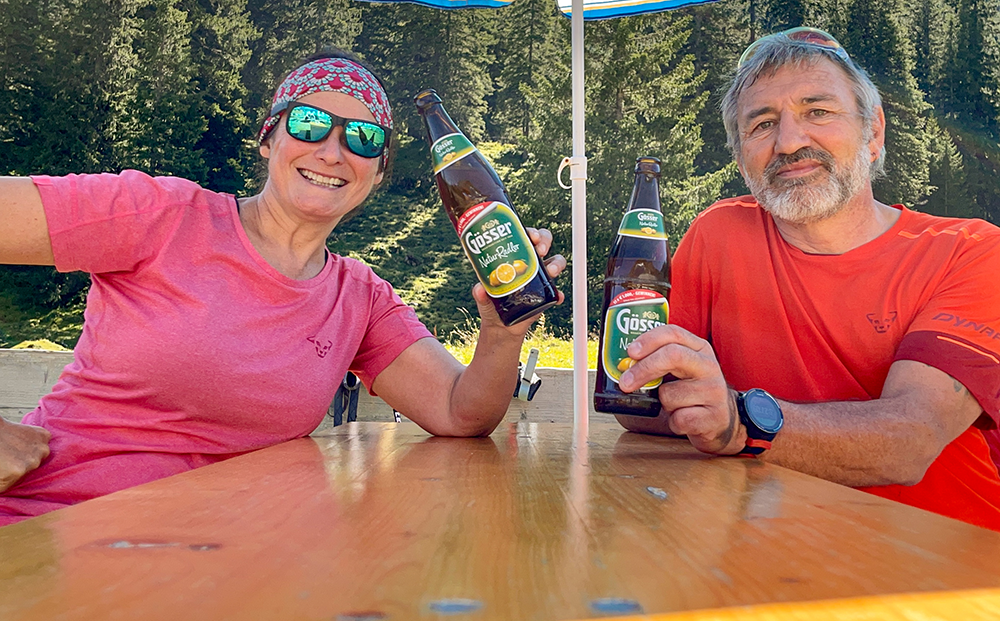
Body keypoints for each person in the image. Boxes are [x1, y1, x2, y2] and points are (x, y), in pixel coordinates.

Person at [0, 50, 566, 526]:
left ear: (378, 171)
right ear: (268, 140)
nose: (332, 150)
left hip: (215, 564)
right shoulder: (162, 214)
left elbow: (459, 413)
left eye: (363, 138)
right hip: (49, 529)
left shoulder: (359, 297)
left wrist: (501, 331)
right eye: (308, 124)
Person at [615, 28, 1000, 531]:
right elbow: (637, 401)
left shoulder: (972, 252)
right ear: (740, 156)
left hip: (945, 573)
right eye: (762, 123)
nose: (790, 142)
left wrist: (738, 422)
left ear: (874, 132)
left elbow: (910, 440)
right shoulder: (718, 236)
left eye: (818, 111)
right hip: (768, 550)